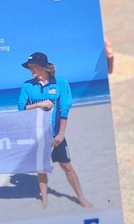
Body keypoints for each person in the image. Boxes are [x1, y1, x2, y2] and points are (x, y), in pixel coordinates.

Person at [18, 52, 93, 209]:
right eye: (29, 67)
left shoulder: (61, 83)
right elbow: (21, 109)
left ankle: (81, 197)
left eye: (33, 66)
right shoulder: (27, 85)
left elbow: (65, 109)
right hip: (38, 135)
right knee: (42, 167)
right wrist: (39, 104)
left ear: (43, 67)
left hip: (56, 134)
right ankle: (44, 199)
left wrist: (61, 134)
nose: (31, 69)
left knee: (67, 166)